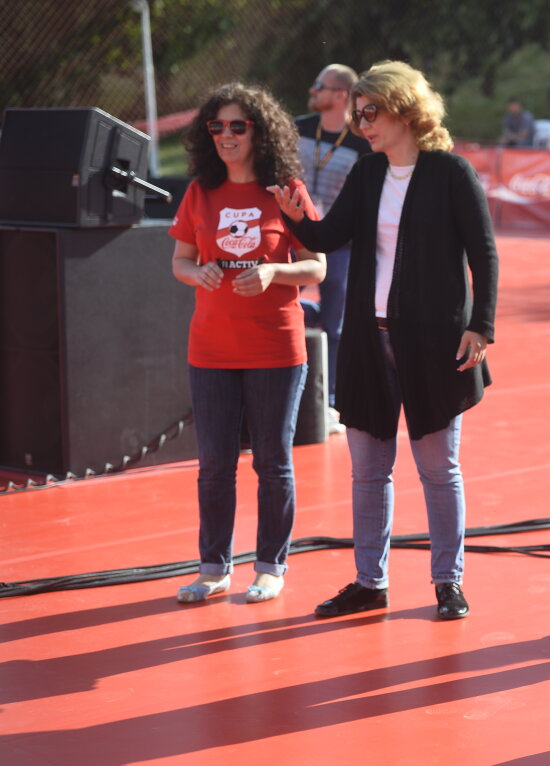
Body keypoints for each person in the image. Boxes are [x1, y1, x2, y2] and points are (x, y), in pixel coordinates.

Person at [272, 60, 498, 620]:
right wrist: (296, 217)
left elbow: (483, 254)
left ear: (403, 108)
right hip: (368, 342)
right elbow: (330, 234)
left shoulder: (451, 172)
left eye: (369, 113)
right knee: (368, 471)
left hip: (435, 343)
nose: (362, 124)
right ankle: (370, 581)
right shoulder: (368, 173)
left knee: (438, 470)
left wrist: (482, 325)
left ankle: (448, 582)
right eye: (357, 115)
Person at [169, 83, 326, 604]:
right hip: (211, 349)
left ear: (260, 131)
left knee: (272, 462)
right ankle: (213, 567)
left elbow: (318, 264)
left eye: (238, 125)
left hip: (275, 349)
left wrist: (275, 273)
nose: (226, 135)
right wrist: (200, 275)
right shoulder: (199, 192)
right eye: (217, 126)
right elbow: (180, 262)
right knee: (214, 464)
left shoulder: (287, 190)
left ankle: (270, 566)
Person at [295, 64, 372, 427]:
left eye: (319, 85)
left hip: (340, 243)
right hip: (294, 235)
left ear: (340, 95)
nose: (313, 90)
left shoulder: (360, 141)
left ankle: (330, 399)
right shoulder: (299, 127)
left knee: (336, 323)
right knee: (284, 309)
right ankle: (292, 389)